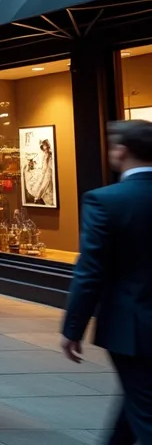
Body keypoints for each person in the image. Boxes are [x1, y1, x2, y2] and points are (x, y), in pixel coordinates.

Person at [62, 120, 152, 444]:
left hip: (133, 325)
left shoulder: (106, 200)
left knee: (144, 411)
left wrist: (73, 328)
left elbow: (90, 270)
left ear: (122, 151)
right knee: (136, 401)